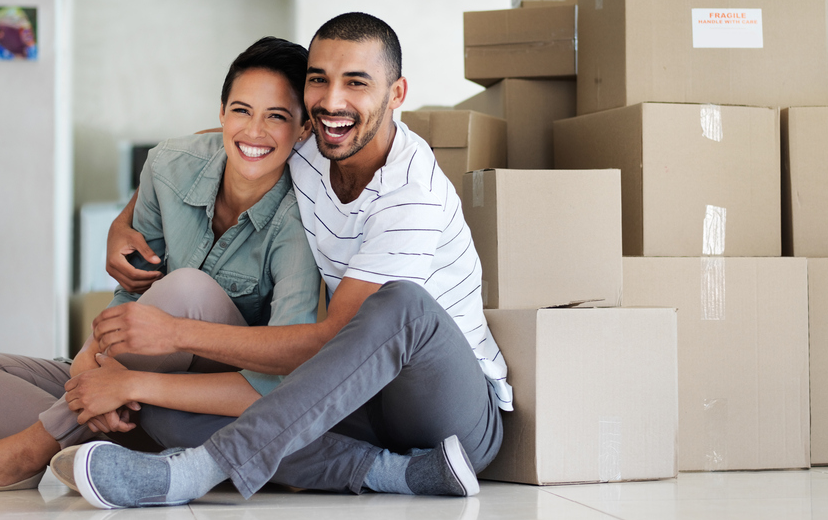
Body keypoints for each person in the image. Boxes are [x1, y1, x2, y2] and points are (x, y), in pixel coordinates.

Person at [70, 12, 512, 509]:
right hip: (363, 402)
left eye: (356, 83)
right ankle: (396, 472)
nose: (332, 100)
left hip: (448, 415)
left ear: (397, 94)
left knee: (399, 304)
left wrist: (172, 337)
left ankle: (200, 471)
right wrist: (123, 219)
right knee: (168, 409)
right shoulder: (314, 144)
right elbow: (235, 135)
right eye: (318, 81)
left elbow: (332, 338)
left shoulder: (412, 195)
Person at [0, 36, 320, 494]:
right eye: (242, 110)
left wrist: (131, 385)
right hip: (144, 383)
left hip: (215, 397)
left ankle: (37, 445)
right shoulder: (168, 166)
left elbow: (281, 377)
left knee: (187, 289)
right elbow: (131, 293)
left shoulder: (304, 214)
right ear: (222, 113)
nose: (255, 131)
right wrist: (92, 370)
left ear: (303, 130)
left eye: (278, 117)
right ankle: (112, 447)